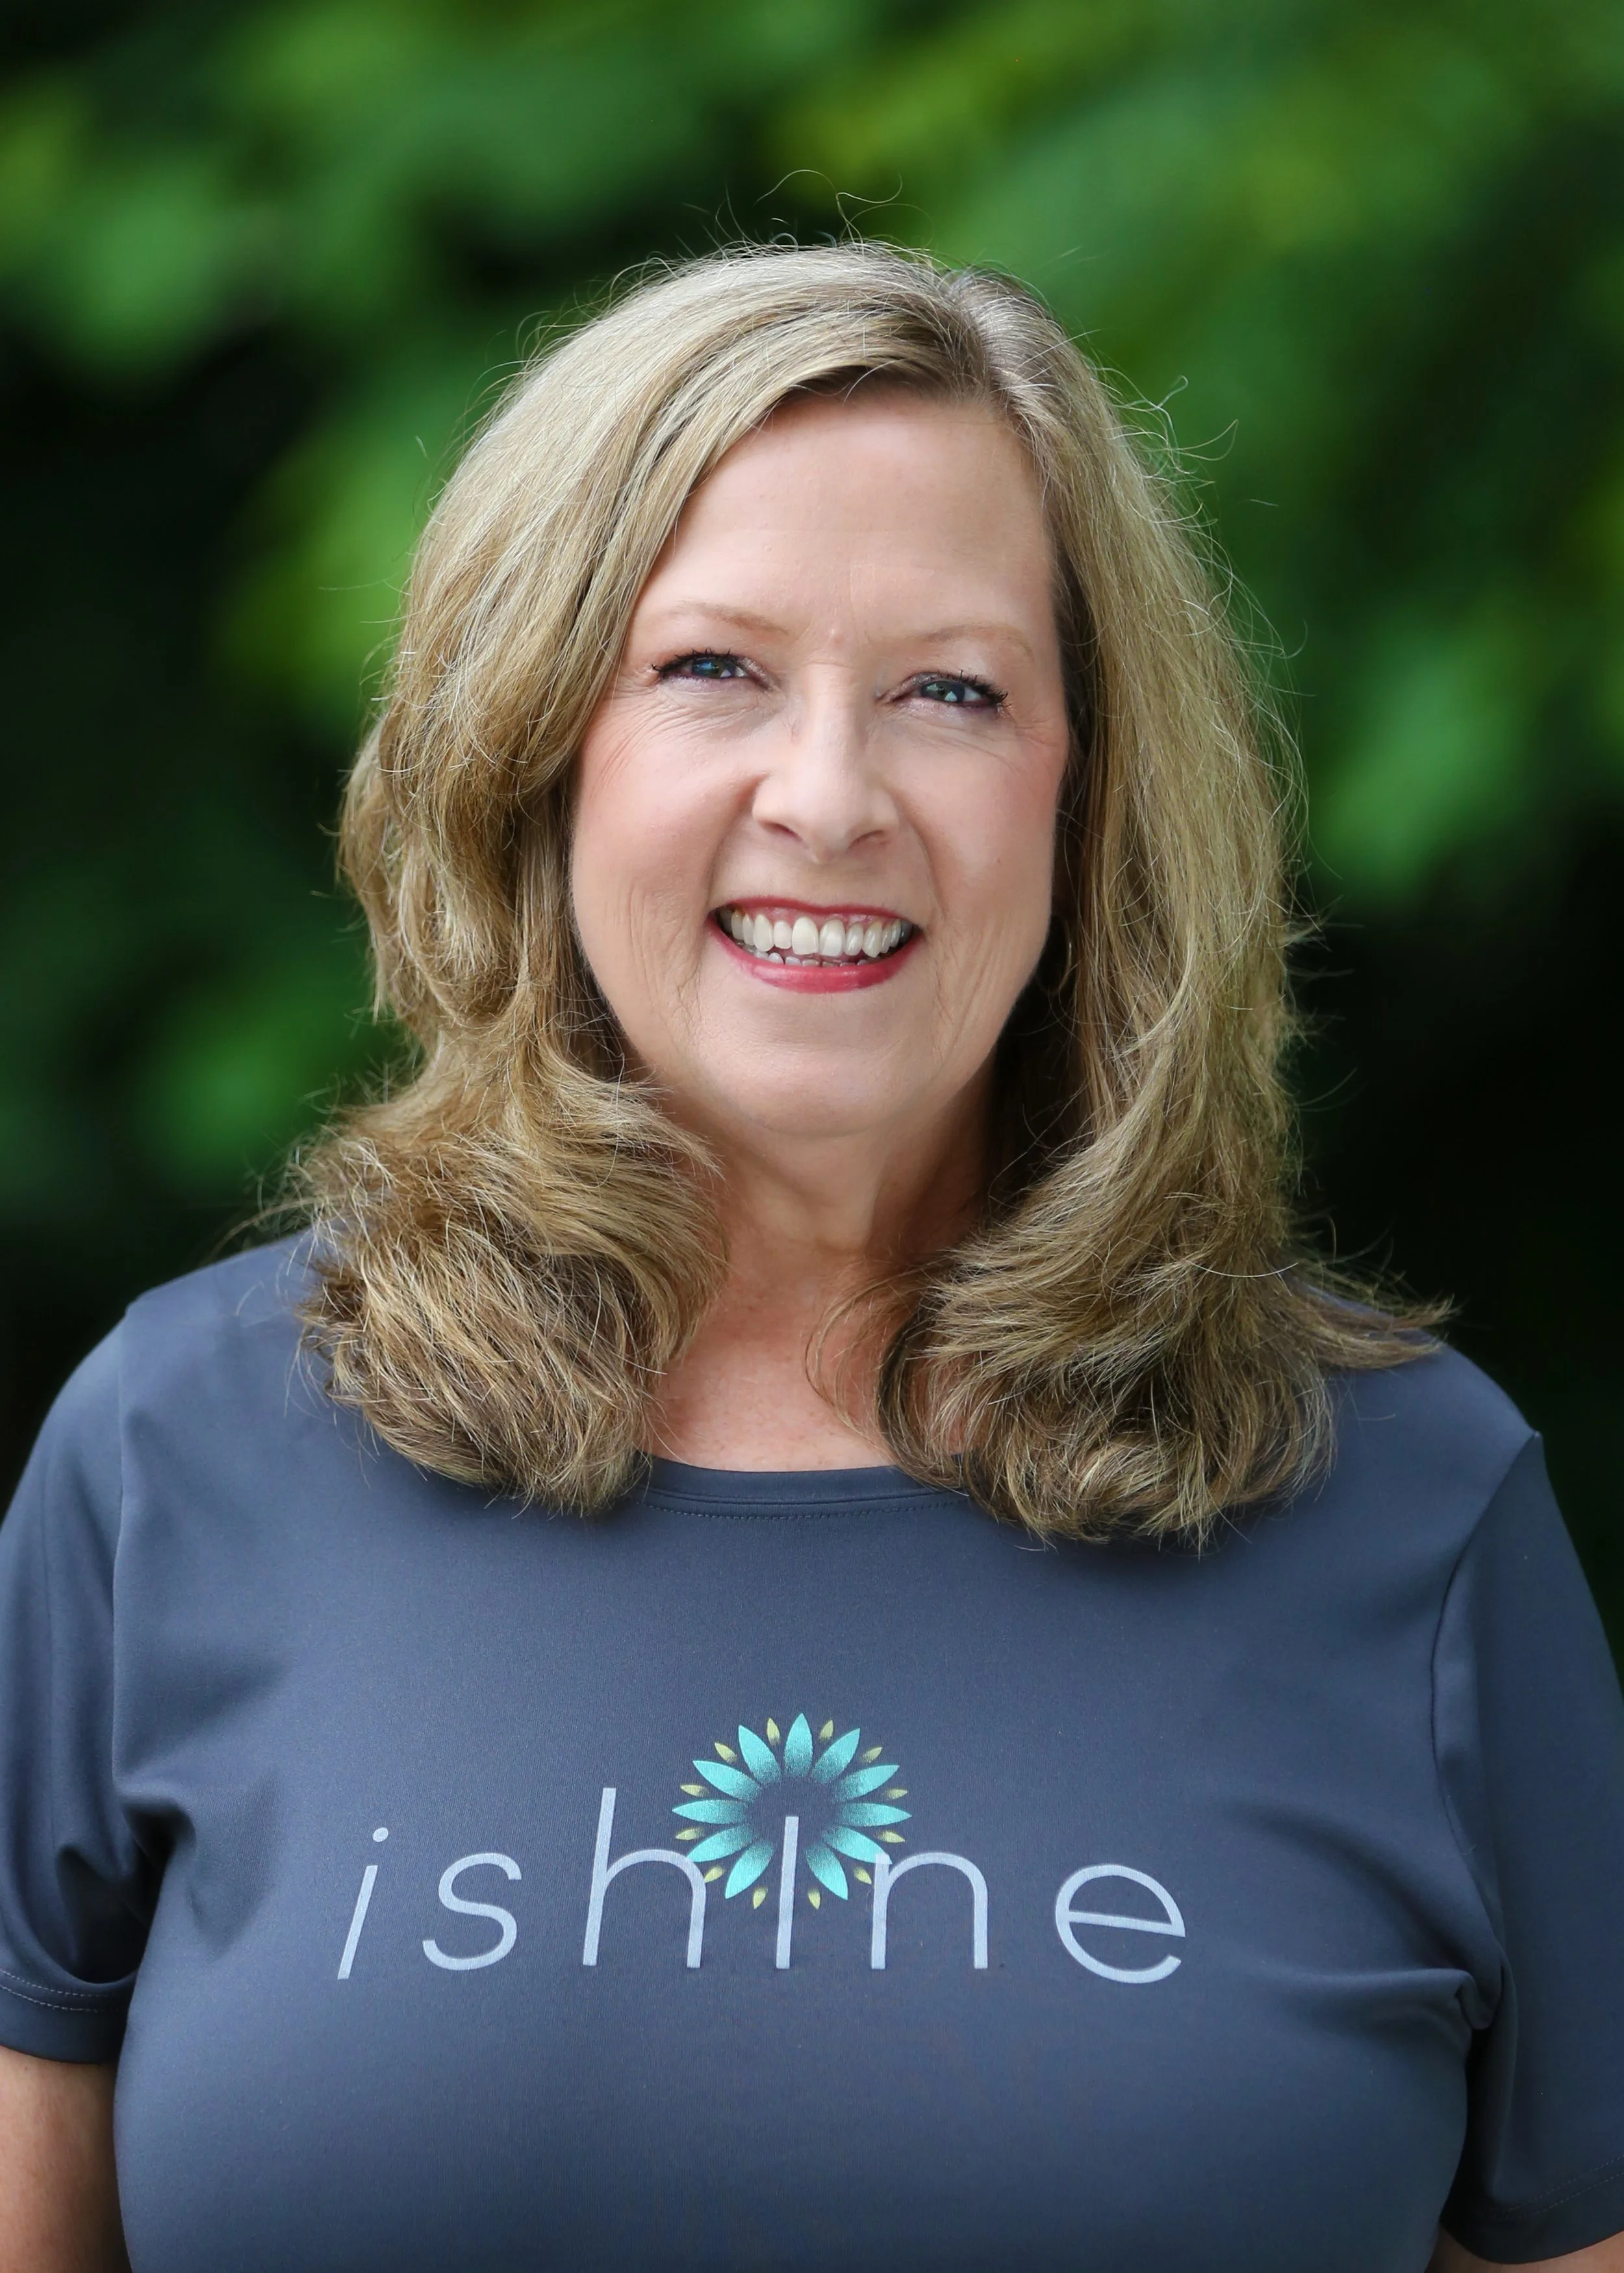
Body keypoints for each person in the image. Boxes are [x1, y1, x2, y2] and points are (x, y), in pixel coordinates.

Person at [0, 242, 1619, 2273]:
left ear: (1084, 791)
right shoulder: (176, 1453)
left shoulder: (1409, 1507)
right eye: (709, 670)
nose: (829, 795)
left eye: (950, 690)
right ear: (536, 746)